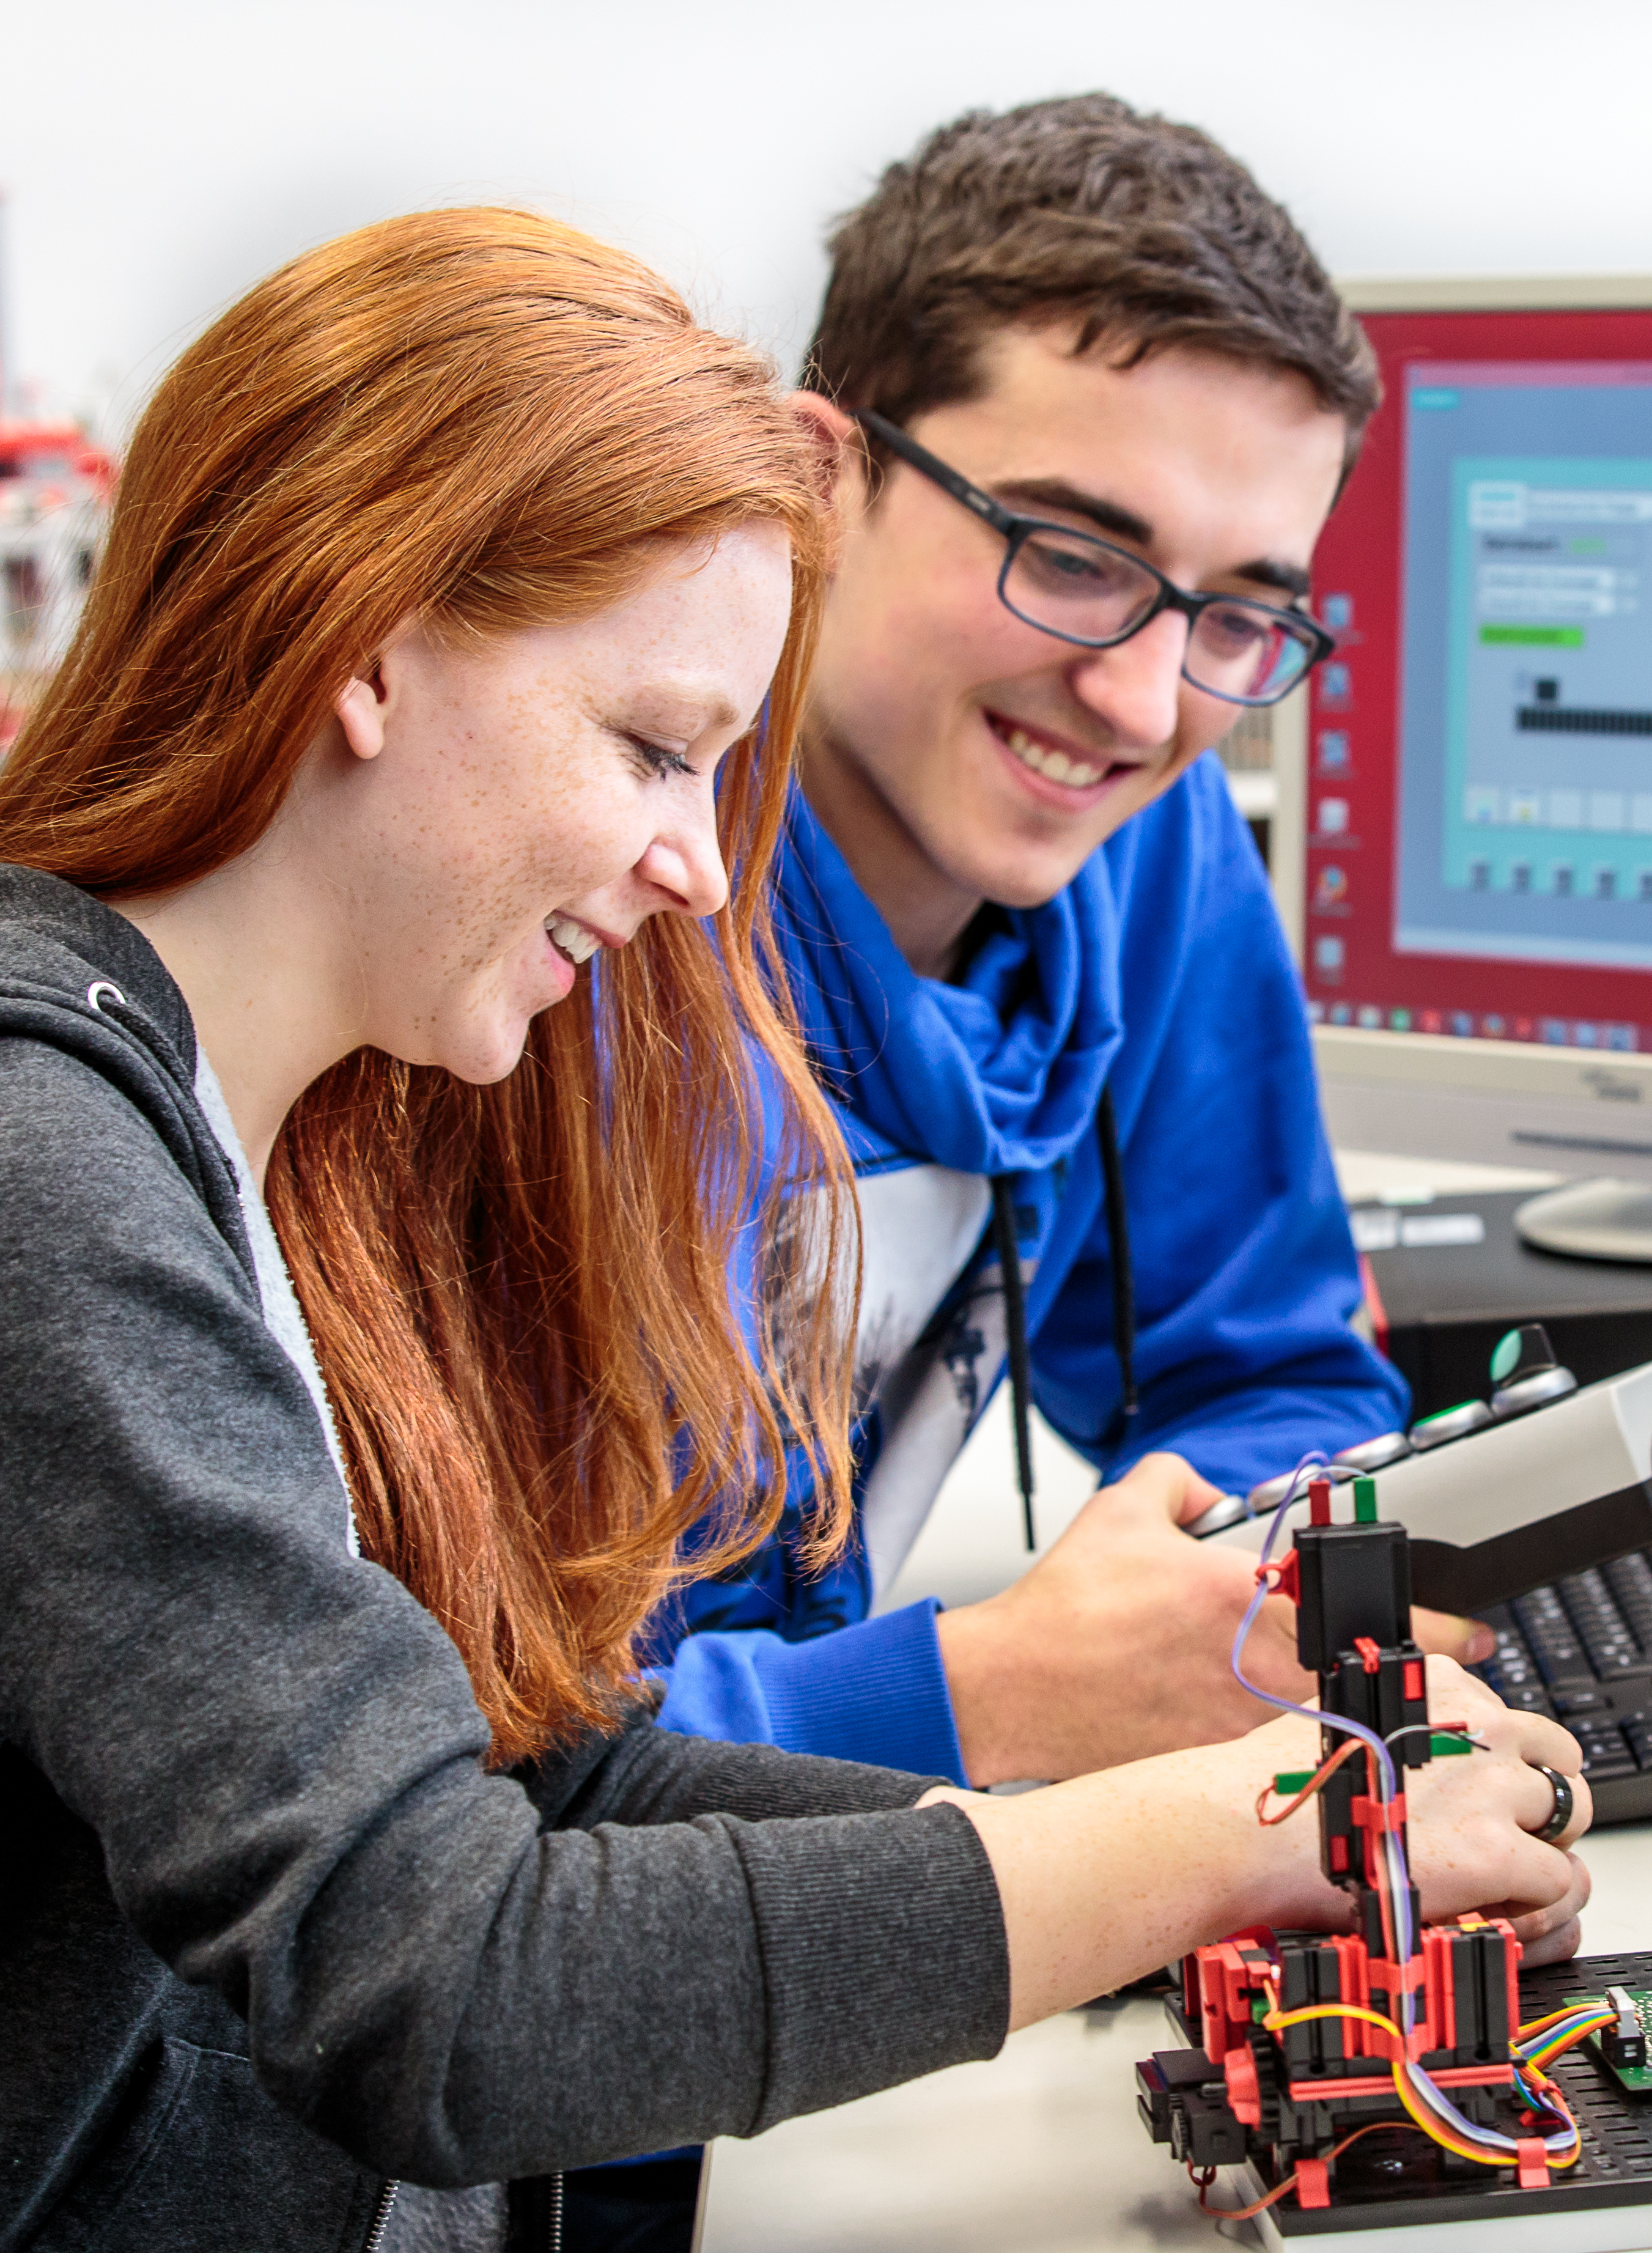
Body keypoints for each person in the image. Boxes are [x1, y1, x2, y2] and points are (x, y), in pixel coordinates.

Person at [0, 208, 1588, 2253]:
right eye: (654, 749)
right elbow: (443, 1979)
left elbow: (526, 1784)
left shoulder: (238, 1120)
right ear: (365, 650)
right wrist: (1199, 1834)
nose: (701, 867)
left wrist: (1240, 1838)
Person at [647, 95, 1460, 1799]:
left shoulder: (1139, 855)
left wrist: (1223, 1605)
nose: (1146, 703)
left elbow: (1273, 1375)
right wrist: (990, 1693)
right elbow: (414, 1775)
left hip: (794, 1883)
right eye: (1072, 556)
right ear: (819, 477)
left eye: (1238, 612)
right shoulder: (584, 904)